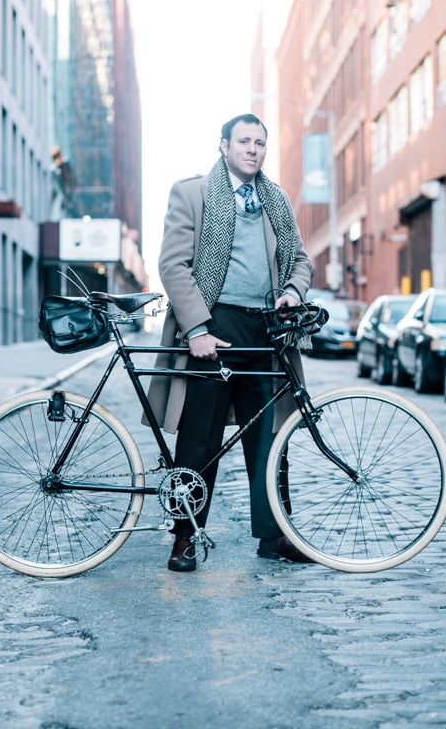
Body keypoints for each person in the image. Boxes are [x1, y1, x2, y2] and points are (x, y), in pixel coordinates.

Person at [145, 114, 313, 571]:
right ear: (224, 145)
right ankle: (184, 537)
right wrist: (196, 329)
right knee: (199, 442)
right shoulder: (193, 192)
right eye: (244, 141)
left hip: (265, 331)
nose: (253, 149)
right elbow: (173, 266)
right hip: (214, 328)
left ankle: (275, 536)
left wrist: (293, 292)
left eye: (260, 142)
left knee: (268, 440)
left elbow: (299, 259)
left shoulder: (276, 200)